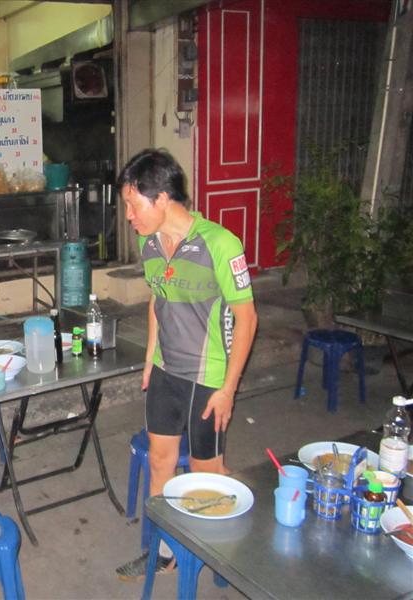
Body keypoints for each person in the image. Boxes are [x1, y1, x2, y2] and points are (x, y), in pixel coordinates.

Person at [115, 149, 258, 578]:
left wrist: (228, 389)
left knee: (204, 473)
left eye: (133, 205)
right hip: (165, 370)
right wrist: (149, 358)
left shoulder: (220, 243)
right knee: (160, 462)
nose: (128, 216)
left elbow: (248, 318)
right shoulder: (148, 242)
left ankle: (218, 553)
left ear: (161, 198)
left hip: (207, 376)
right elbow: (157, 299)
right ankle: (166, 554)